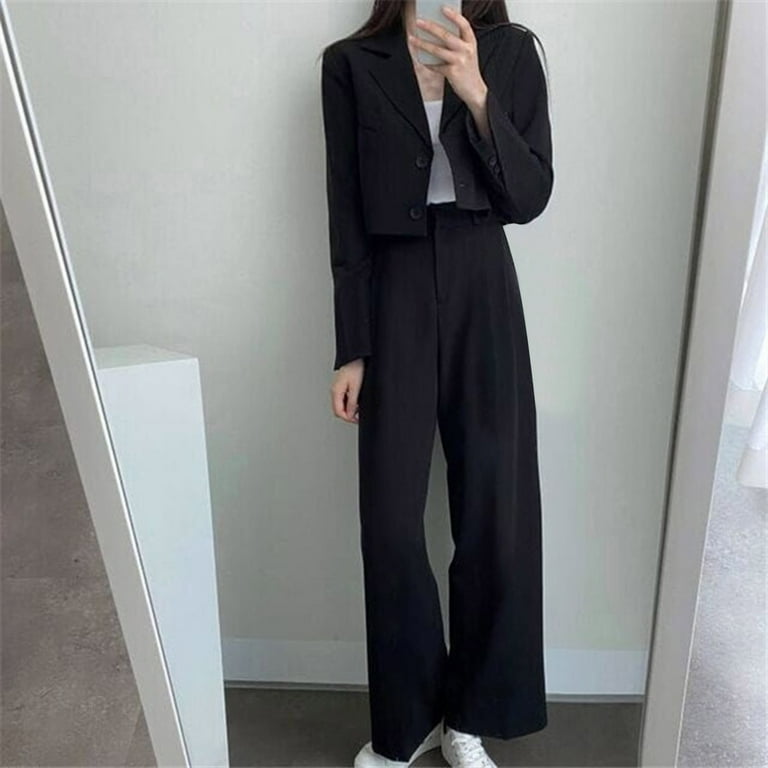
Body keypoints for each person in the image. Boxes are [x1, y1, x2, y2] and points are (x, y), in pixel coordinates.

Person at [320, 1, 554, 766]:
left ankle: (469, 717)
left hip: (483, 277)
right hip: (393, 290)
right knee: (390, 521)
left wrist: (477, 91)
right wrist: (352, 347)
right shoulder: (351, 65)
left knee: (494, 510)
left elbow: (530, 197)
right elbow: (346, 212)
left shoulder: (510, 52)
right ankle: (411, 717)